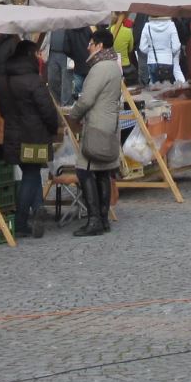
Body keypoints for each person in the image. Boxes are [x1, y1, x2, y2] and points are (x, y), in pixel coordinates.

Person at [0, 39, 58, 239]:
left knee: (30, 171)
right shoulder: (33, 80)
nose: (40, 57)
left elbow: (2, 110)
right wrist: (53, 127)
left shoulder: (3, 81)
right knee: (31, 174)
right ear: (30, 55)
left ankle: (38, 208)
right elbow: (47, 110)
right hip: (34, 135)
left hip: (13, 133)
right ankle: (21, 221)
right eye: (38, 53)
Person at [64, 28, 122, 236]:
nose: (88, 47)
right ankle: (103, 219)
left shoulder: (100, 68)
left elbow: (87, 99)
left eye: (90, 44)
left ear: (99, 45)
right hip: (109, 124)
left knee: (85, 170)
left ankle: (95, 220)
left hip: (97, 124)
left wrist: (73, 115)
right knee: (103, 171)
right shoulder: (113, 65)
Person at [139, 13, 184, 85]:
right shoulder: (171, 25)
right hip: (168, 60)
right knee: (168, 86)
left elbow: (142, 47)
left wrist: (151, 52)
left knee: (155, 88)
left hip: (152, 61)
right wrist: (169, 52)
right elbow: (176, 46)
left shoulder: (147, 26)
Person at [48, 25, 84, 106]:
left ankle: (66, 105)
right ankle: (57, 104)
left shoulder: (69, 21)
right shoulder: (52, 21)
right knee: (52, 81)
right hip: (52, 53)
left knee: (66, 83)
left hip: (67, 54)